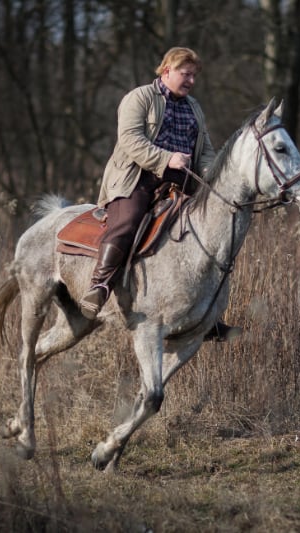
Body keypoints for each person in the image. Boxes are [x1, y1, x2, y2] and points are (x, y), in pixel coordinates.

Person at [80, 47, 238, 342]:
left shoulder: (194, 108)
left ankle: (204, 315)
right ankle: (99, 286)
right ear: (166, 71)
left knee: (204, 236)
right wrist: (166, 159)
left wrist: (214, 176)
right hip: (137, 177)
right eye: (185, 73)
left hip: (181, 183)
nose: (190, 80)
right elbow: (129, 140)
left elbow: (204, 151)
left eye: (193, 75)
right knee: (128, 221)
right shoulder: (139, 98)